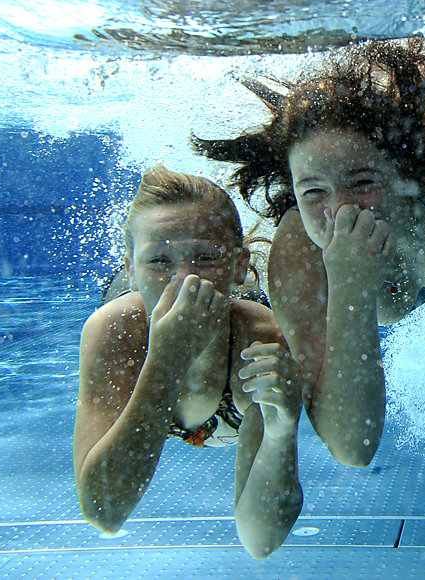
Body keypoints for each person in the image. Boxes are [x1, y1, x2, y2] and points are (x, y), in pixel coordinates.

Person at [194, 37, 425, 467]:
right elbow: (353, 447)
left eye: (363, 183)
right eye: (313, 190)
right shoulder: (298, 253)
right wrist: (350, 285)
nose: (341, 209)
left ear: (402, 172)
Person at [74, 166, 304, 559]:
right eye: (159, 261)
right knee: (128, 309)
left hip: (234, 327)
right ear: (131, 268)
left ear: (238, 266)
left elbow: (260, 540)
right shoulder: (115, 332)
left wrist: (281, 432)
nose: (185, 280)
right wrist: (167, 356)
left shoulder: (262, 341)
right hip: (137, 314)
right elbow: (104, 512)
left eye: (204, 256)